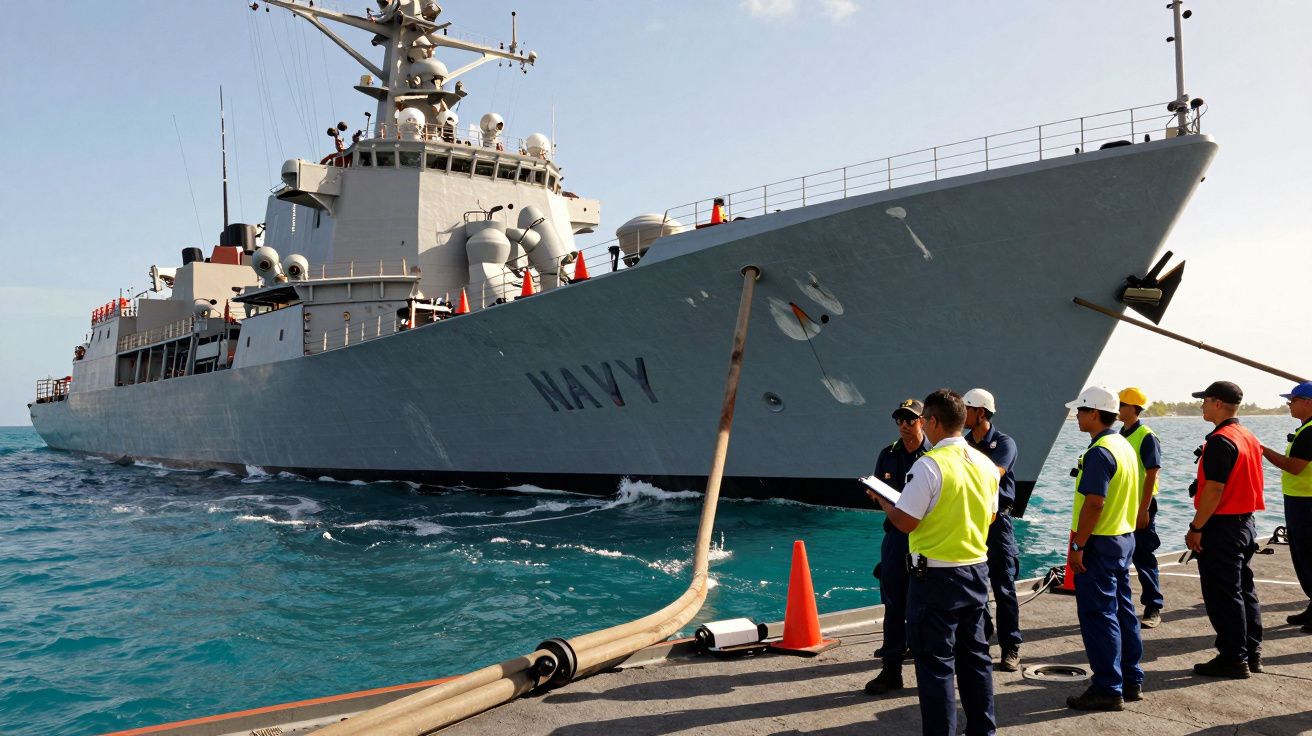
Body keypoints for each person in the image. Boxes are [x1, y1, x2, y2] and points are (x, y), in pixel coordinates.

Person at [873, 389, 999, 736]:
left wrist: (886, 502)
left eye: (924, 419)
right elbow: (989, 517)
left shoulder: (929, 466)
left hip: (936, 578)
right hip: (975, 571)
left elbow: (905, 521)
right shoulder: (987, 466)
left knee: (936, 665)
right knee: (976, 660)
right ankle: (983, 730)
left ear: (933, 422)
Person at [1063, 385, 1144, 711]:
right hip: (1122, 538)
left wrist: (1079, 544)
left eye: (1080, 411)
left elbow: (1094, 503)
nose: (1077, 416)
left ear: (1094, 413)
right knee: (1123, 611)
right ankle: (1130, 678)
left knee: (1099, 615)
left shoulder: (1099, 452)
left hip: (1099, 542)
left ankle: (1108, 688)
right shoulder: (1123, 445)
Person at [1187, 380, 1265, 677]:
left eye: (1205, 400)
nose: (1202, 405)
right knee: (1244, 589)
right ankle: (1250, 652)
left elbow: (1215, 490)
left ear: (1218, 403)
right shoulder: (1247, 436)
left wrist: (1196, 527)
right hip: (1246, 523)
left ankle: (1233, 657)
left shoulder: (1221, 440)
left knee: (1223, 594)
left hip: (1223, 526)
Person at [863, 398, 932, 696]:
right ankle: (891, 670)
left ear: (924, 421)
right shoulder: (887, 454)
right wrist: (877, 496)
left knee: (928, 605)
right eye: (900, 419)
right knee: (893, 603)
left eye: (911, 419)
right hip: (895, 537)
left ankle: (930, 670)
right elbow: (877, 489)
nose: (904, 425)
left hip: (926, 537)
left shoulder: (933, 456)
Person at [962, 388, 1022, 672]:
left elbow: (995, 473)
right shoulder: (962, 443)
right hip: (972, 520)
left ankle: (1011, 647)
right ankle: (982, 637)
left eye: (967, 409)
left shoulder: (1004, 443)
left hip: (998, 523)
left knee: (1004, 587)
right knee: (975, 585)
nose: (962, 414)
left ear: (981, 413)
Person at [1262, 381, 1312, 631]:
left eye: (1292, 400)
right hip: (1299, 499)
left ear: (1307, 402)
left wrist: (1263, 450)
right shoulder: (1305, 429)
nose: (1289, 405)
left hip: (1307, 503)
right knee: (1303, 554)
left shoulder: (1310, 432)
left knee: (1308, 554)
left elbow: (1294, 466)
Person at [1118, 387, 1164, 628]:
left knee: (1144, 554)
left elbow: (1152, 474)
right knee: (1120, 555)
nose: (1118, 409)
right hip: (1123, 505)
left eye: (1122, 405)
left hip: (1140, 504)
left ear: (1133, 408)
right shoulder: (1121, 434)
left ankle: (1153, 604)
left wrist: (1143, 509)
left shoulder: (1146, 435)